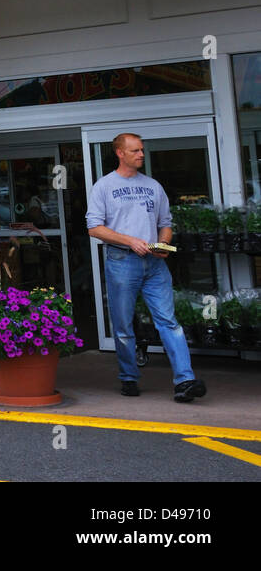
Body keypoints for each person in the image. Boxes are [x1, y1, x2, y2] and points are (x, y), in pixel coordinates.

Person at [86, 133, 206, 402]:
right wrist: (129, 241)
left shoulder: (153, 186)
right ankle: (129, 377)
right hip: (121, 261)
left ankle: (185, 381)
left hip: (154, 264)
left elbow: (165, 223)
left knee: (169, 322)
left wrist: (163, 244)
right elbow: (94, 227)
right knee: (123, 325)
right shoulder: (103, 186)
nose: (141, 154)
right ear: (120, 153)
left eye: (142, 149)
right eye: (135, 150)